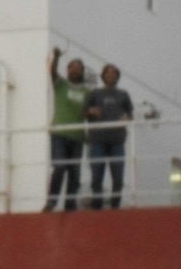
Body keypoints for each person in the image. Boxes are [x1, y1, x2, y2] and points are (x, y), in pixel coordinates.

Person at [44, 47, 88, 212]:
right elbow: (52, 71)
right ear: (68, 70)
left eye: (78, 68)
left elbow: (88, 114)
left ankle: (70, 203)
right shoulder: (61, 85)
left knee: (74, 172)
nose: (75, 70)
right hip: (60, 134)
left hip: (77, 137)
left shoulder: (87, 92)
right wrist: (55, 56)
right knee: (60, 166)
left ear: (82, 72)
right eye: (72, 67)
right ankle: (51, 202)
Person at [85, 64, 133, 210]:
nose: (111, 75)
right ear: (103, 75)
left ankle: (115, 205)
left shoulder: (123, 95)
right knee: (96, 176)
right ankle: (97, 205)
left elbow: (130, 113)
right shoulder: (95, 93)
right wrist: (90, 112)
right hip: (97, 140)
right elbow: (85, 112)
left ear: (117, 76)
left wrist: (127, 117)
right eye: (108, 73)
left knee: (118, 177)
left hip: (117, 140)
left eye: (114, 73)